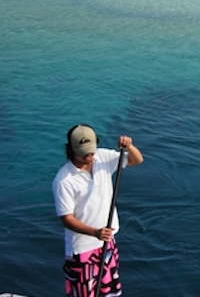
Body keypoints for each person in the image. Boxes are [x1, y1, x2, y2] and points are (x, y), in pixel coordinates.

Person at [53, 124, 144, 297]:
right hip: (82, 250)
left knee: (111, 292)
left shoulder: (103, 157)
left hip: (107, 242)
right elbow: (66, 218)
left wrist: (129, 146)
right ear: (71, 149)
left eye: (91, 151)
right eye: (84, 152)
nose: (90, 156)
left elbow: (137, 160)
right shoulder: (63, 180)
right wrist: (95, 232)